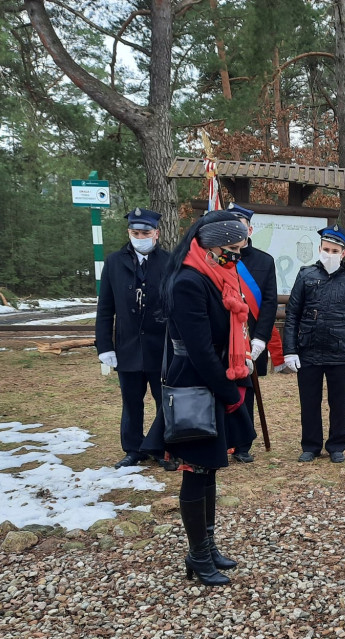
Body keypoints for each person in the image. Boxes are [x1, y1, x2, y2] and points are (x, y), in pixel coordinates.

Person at [152, 211, 256, 587]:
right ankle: (196, 555)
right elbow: (199, 350)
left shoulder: (217, 274)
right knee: (195, 471)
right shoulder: (188, 282)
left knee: (209, 469)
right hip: (196, 384)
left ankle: (207, 547)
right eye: (231, 249)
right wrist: (230, 395)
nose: (237, 256)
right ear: (209, 246)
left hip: (213, 380)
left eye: (240, 248)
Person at [282, 225, 345, 464]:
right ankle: (310, 445)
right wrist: (289, 350)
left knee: (339, 403)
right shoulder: (306, 275)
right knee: (309, 402)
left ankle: (337, 445)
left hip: (340, 353)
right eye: (326, 249)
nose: (329, 254)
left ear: (343, 253)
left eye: (334, 250)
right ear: (319, 249)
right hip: (308, 351)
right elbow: (292, 315)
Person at [96, 207, 172, 469]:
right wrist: (105, 346)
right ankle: (133, 448)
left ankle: (163, 447)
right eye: (135, 232)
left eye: (145, 232)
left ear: (156, 234)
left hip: (160, 347)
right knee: (131, 401)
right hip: (127, 346)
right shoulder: (114, 262)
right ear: (129, 233)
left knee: (165, 401)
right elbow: (105, 308)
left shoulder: (170, 262)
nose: (140, 236)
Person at [227, 203, 283, 463]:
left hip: (251, 339)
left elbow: (270, 302)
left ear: (249, 228)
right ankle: (221, 440)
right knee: (221, 387)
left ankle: (242, 444)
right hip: (224, 337)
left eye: (241, 224)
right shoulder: (216, 258)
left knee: (246, 389)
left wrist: (260, 339)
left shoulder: (264, 261)